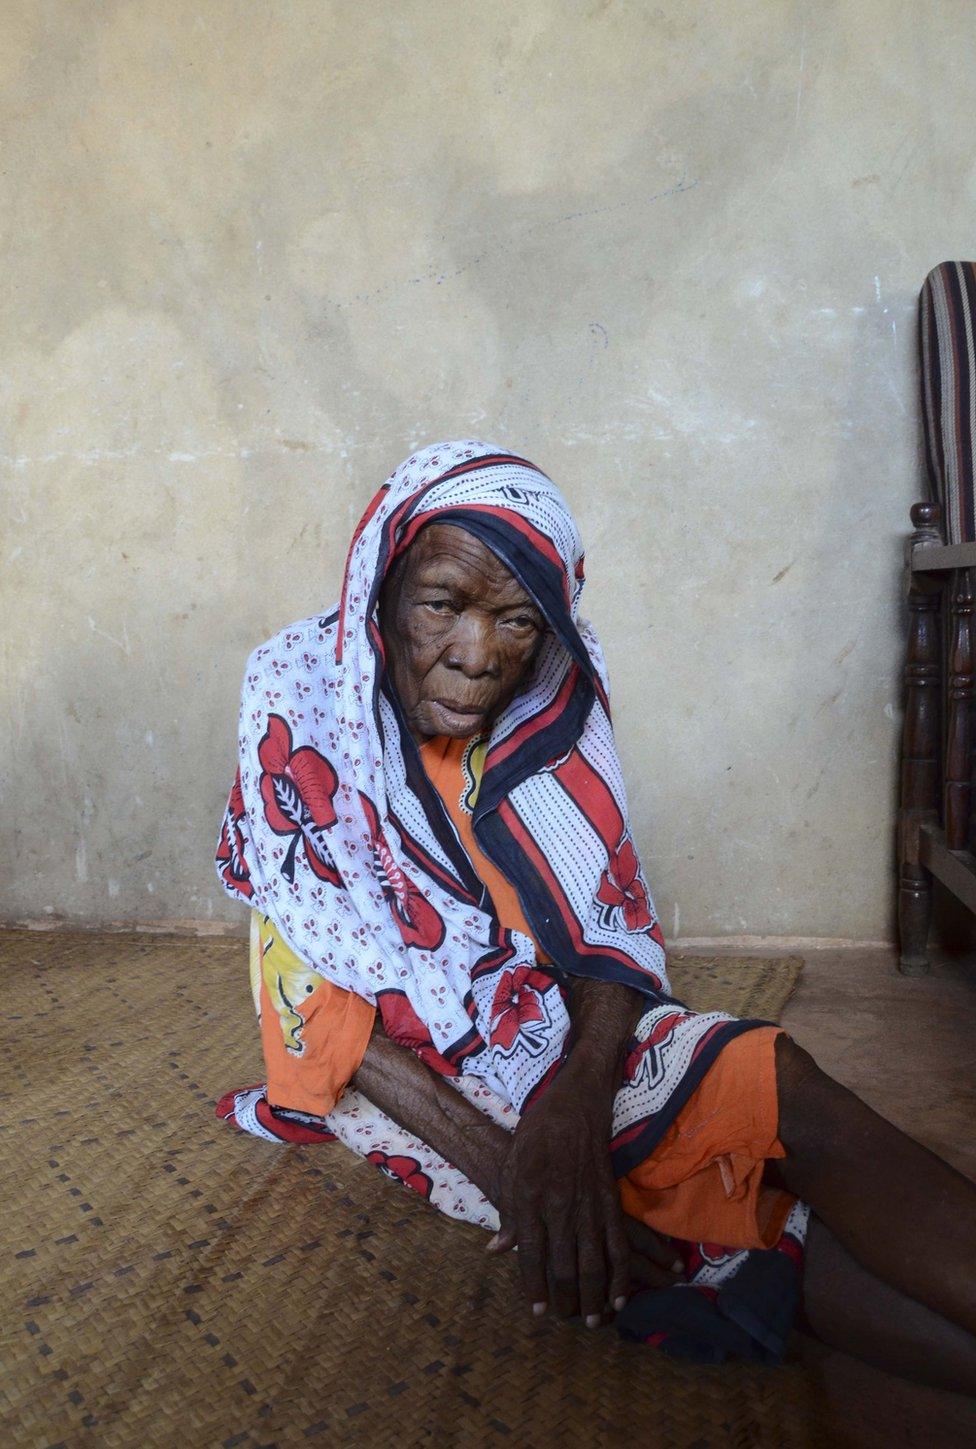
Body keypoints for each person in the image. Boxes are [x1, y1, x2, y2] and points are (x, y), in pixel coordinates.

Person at [216, 441, 976, 1389]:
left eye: (517, 620)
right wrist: (512, 1168)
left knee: (776, 1078)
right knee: (749, 1225)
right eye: (443, 603)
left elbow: (601, 929)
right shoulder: (299, 703)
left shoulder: (552, 700)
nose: (477, 653)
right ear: (384, 582)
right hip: (419, 1082)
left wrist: (572, 1107)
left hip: (557, 1027)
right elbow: (314, 1006)